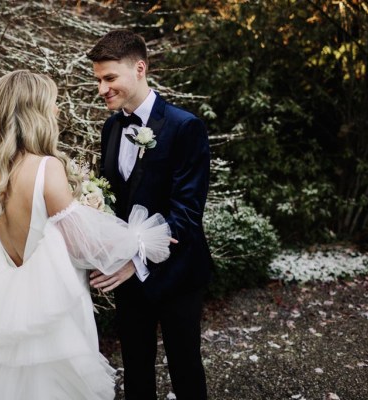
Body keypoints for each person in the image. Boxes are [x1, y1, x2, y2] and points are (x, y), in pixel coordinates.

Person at [0, 70, 174, 400]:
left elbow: (23, 237)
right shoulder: (46, 167)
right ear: (35, 110)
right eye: (52, 103)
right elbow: (82, 244)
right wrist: (139, 241)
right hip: (48, 300)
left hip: (10, 294)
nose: (57, 111)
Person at [87, 30, 213, 399]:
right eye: (97, 80)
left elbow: (187, 214)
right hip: (126, 279)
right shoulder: (111, 128)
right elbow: (112, 203)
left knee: (185, 368)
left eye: (109, 78)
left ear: (139, 69)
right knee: (136, 371)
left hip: (178, 273)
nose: (101, 89)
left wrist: (135, 260)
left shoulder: (184, 126)